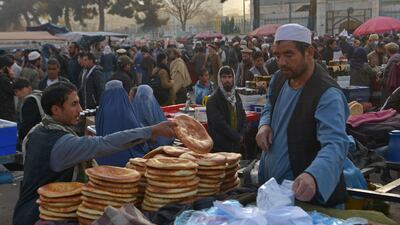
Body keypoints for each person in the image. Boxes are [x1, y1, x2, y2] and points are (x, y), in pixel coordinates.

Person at [12, 81, 176, 225]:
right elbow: (105, 142)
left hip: (29, 210)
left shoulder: (38, 130)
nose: (80, 109)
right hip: (42, 216)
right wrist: (151, 130)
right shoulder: (60, 143)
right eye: (74, 104)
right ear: (56, 109)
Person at [255, 23, 349, 207]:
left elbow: (336, 144)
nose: (281, 62)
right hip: (274, 195)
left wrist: (313, 175)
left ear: (310, 52)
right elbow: (269, 105)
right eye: (277, 55)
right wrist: (264, 124)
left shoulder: (327, 94)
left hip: (305, 201)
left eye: (289, 55)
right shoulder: (279, 78)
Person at [95, 80, 149, 165]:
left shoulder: (102, 109)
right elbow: (137, 131)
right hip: (128, 160)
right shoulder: (126, 109)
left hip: (104, 156)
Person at [206, 66, 246, 153]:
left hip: (236, 146)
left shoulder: (236, 96)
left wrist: (242, 135)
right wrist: (237, 137)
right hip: (220, 148)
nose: (227, 80)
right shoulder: (213, 100)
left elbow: (243, 117)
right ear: (220, 79)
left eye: (229, 77)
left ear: (233, 78)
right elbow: (220, 124)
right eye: (224, 77)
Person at [131, 84, 174, 149]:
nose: (144, 100)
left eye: (147, 97)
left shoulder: (154, 109)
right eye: (142, 97)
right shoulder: (134, 111)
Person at [13, 78, 43, 150]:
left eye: (21, 90)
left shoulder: (30, 101)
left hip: (35, 138)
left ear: (29, 88)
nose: (18, 94)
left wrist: (20, 136)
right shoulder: (39, 95)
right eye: (16, 92)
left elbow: (27, 125)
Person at [0, 55, 16, 121]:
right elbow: (14, 91)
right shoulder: (4, 79)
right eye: (9, 67)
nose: (11, 69)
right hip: (6, 111)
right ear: (4, 67)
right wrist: (12, 78)